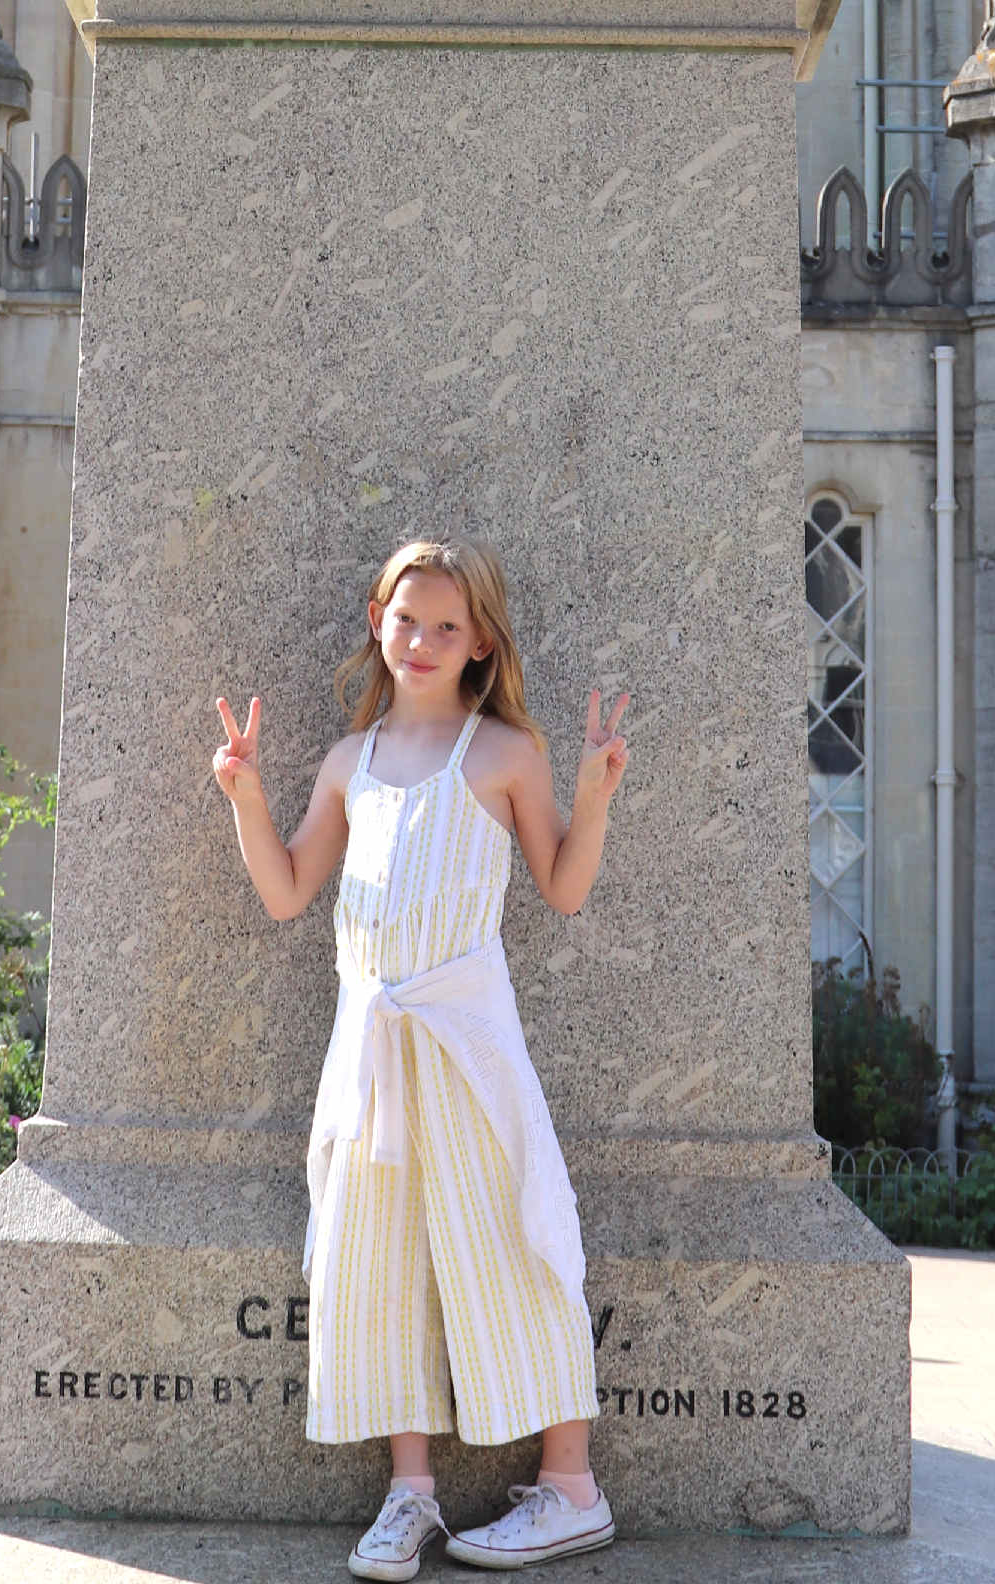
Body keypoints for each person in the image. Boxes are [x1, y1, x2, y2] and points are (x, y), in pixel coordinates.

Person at [211, 535, 629, 1574]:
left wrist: (597, 791)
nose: (424, 640)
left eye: (447, 626)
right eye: (407, 620)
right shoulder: (349, 764)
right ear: (375, 621)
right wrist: (244, 797)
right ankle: (411, 1495)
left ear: (481, 641)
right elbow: (287, 890)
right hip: (371, 1049)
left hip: (467, 1046)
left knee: (509, 1238)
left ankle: (570, 1486)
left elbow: (564, 889)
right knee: (382, 1256)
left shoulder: (505, 755)